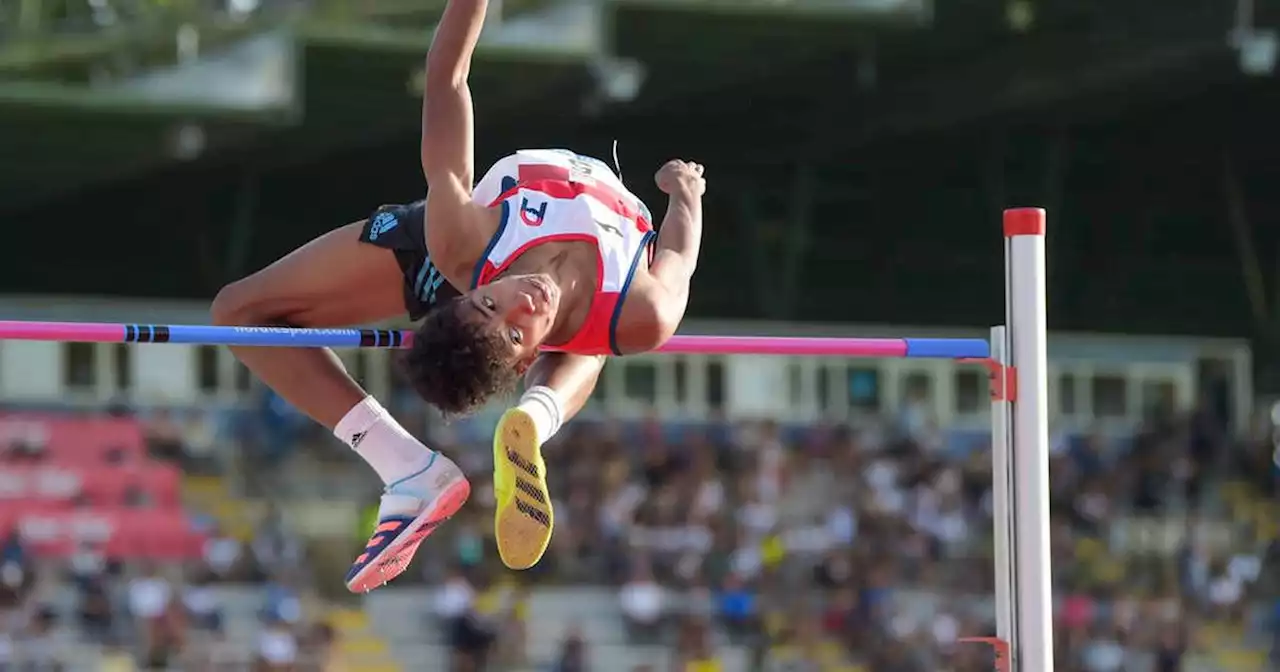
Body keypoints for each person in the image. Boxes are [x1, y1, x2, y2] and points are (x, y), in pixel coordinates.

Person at [210, 0, 705, 591]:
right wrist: (686, 196)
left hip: (453, 250)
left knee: (236, 312)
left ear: (467, 299)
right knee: (600, 330)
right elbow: (677, 258)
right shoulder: (640, 312)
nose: (527, 298)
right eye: (514, 327)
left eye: (491, 304)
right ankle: (522, 423)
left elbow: (447, 78)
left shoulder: (464, 246)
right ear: (523, 362)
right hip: (600, 308)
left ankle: (425, 462)